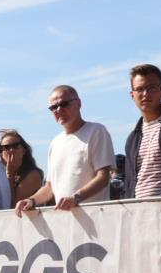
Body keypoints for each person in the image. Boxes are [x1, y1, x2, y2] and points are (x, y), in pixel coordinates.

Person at [15, 85, 115, 216]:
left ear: (79, 103)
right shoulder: (55, 142)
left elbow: (103, 176)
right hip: (65, 223)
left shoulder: (96, 131)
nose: (59, 110)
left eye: (64, 104)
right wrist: (31, 200)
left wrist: (76, 198)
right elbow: (49, 187)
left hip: (94, 218)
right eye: (53, 107)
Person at [124, 64, 161, 199]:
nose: (145, 94)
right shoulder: (132, 139)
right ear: (132, 95)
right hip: (141, 212)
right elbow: (129, 183)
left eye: (151, 88)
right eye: (139, 89)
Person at [0, 129, 44, 205]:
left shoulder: (32, 174)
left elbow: (13, 206)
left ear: (24, 150)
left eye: (15, 146)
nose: (11, 150)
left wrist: (10, 174)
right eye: (6, 147)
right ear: (1, 153)